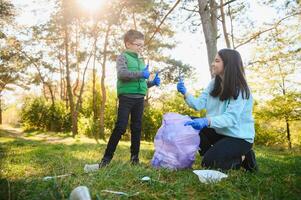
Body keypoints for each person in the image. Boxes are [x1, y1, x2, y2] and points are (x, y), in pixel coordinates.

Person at [177, 48, 258, 172]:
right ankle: (210, 156)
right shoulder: (214, 83)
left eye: (217, 61)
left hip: (239, 137)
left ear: (228, 64)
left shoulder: (241, 89)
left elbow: (230, 119)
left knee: (209, 164)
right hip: (220, 132)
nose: (213, 64)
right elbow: (198, 104)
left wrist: (206, 121)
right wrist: (185, 93)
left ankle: (243, 158)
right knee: (189, 123)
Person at [99, 29, 160, 167]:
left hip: (139, 98)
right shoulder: (122, 57)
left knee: (137, 128)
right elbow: (122, 74)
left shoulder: (141, 60)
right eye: (138, 45)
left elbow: (141, 82)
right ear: (128, 44)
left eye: (142, 45)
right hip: (126, 97)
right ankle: (106, 159)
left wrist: (151, 83)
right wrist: (141, 74)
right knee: (120, 127)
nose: (141, 48)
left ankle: (134, 159)